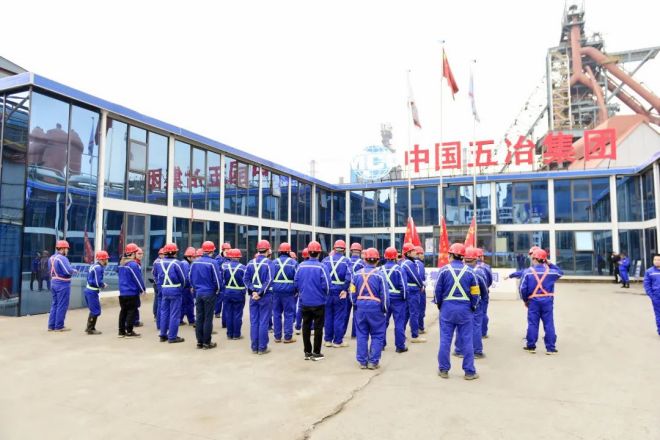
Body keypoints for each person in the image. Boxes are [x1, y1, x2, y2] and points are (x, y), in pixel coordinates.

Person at [434, 243, 480, 380]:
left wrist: (440, 305)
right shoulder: (471, 272)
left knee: (445, 340)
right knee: (467, 341)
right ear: (462, 257)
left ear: (451, 255)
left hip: (447, 308)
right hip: (465, 309)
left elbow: (437, 291)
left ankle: (443, 370)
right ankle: (469, 372)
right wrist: (473, 306)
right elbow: (476, 293)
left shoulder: (443, 271)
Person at [351, 248, 389, 369]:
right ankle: (373, 361)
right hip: (375, 308)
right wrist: (384, 309)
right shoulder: (380, 275)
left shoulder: (356, 275)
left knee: (361, 334)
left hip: (360, 308)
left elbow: (352, 292)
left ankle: (362, 361)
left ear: (364, 259)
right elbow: (385, 295)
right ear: (377, 260)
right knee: (377, 334)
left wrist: (356, 304)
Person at [520, 249, 563, 354]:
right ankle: (550, 348)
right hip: (547, 301)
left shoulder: (528, 272)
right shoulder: (551, 272)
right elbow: (561, 273)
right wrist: (550, 264)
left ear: (534, 259)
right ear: (544, 260)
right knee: (549, 323)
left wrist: (525, 300)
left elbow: (522, 289)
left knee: (533, 323)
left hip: (533, 301)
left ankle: (531, 346)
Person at [294, 240, 330, 361]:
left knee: (306, 326)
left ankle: (307, 352)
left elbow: (296, 282)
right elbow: (327, 285)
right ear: (319, 253)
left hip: (305, 302)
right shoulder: (322, 267)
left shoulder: (301, 266)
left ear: (308, 252)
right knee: (318, 328)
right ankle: (316, 352)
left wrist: (302, 293)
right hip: (319, 302)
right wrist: (324, 295)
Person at [454, 247, 489, 359]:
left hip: (462, 302)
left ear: (464, 259)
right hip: (476, 302)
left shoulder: (459, 270)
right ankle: (476, 351)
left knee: (460, 326)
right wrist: (484, 302)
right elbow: (484, 289)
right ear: (476, 259)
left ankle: (459, 350)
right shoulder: (479, 272)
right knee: (476, 326)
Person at [190, 241, 222, 349]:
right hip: (209, 293)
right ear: (212, 251)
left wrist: (195, 288)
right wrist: (218, 290)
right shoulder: (213, 263)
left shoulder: (195, 263)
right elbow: (217, 279)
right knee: (208, 318)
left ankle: (199, 342)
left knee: (199, 317)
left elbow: (190, 277)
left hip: (199, 293)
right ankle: (206, 342)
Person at [243, 240, 274, 355]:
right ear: (268, 250)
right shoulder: (269, 263)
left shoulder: (250, 263)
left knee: (254, 321)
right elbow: (269, 280)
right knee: (263, 321)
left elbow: (245, 279)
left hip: (253, 296)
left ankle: (254, 347)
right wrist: (260, 293)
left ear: (258, 249)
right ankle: (262, 348)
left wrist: (253, 291)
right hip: (264, 296)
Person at [322, 240, 352, 348]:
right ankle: (338, 341)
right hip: (340, 292)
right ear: (344, 250)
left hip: (328, 291)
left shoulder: (325, 260)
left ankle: (327, 340)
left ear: (334, 249)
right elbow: (349, 276)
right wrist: (345, 289)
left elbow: (322, 276)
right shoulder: (346, 261)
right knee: (339, 317)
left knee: (328, 316)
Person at [157, 243, 187, 343]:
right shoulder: (177, 263)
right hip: (175, 289)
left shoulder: (159, 262)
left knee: (164, 312)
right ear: (175, 252)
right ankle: (172, 337)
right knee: (174, 314)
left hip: (164, 289)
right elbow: (183, 278)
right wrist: (182, 287)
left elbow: (158, 277)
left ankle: (163, 335)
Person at [382, 246, 408, 353]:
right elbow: (404, 287)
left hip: (385, 299)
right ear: (395, 257)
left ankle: (381, 344)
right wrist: (404, 298)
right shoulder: (399, 269)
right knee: (399, 323)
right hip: (398, 300)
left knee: (383, 323)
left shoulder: (381, 269)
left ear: (385, 256)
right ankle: (400, 346)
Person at [271, 242, 298, 344]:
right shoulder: (293, 263)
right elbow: (297, 278)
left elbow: (270, 277)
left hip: (276, 291)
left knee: (276, 313)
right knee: (289, 314)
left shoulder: (273, 262)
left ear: (279, 251)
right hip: (289, 292)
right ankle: (287, 337)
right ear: (288, 252)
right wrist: (296, 290)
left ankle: (277, 337)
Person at [47, 240, 76, 332]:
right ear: (63, 249)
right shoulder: (62, 258)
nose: (67, 250)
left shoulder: (51, 258)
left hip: (53, 282)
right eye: (67, 249)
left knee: (55, 304)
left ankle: (51, 326)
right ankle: (59, 326)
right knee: (62, 305)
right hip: (62, 284)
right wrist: (74, 271)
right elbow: (68, 271)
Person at [118, 243, 145, 338]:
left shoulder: (121, 264)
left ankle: (121, 332)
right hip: (131, 292)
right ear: (133, 253)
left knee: (123, 312)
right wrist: (142, 289)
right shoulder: (133, 264)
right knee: (131, 311)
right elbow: (137, 278)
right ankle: (129, 332)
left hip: (122, 292)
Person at [401, 243, 426, 343]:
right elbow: (416, 277)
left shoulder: (405, 262)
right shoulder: (409, 263)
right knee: (414, 313)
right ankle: (415, 336)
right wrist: (421, 285)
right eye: (413, 251)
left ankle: (401, 334)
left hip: (408, 290)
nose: (415, 252)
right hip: (413, 291)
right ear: (408, 253)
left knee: (406, 313)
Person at [222, 249, 248, 340]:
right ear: (239, 257)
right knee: (237, 314)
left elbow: (221, 280)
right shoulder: (243, 268)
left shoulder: (224, 267)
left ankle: (229, 334)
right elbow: (246, 281)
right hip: (239, 293)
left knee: (228, 313)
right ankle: (236, 335)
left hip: (227, 292)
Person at [84, 250, 109, 335]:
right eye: (106, 259)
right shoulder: (98, 268)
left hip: (89, 290)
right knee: (96, 311)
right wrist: (103, 285)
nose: (107, 261)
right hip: (92, 291)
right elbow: (98, 282)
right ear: (102, 259)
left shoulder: (94, 266)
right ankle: (90, 329)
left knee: (94, 310)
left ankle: (89, 327)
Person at [344, 242, 364, 339]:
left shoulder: (346, 261)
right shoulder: (362, 263)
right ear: (360, 251)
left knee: (345, 312)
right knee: (356, 312)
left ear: (351, 251)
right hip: (356, 289)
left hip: (347, 288)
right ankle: (354, 334)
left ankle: (341, 333)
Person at [476, 248, 493, 338]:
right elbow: (490, 280)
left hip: (471, 294)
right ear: (481, 256)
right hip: (483, 293)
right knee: (483, 313)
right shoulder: (486, 267)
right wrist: (485, 287)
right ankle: (483, 333)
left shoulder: (467, 266)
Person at [642, 254, 660, 336]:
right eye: (655, 260)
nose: (656, 261)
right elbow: (647, 285)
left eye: (658, 260)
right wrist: (652, 296)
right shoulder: (649, 272)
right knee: (658, 314)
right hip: (656, 297)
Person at [179, 247, 197, 325]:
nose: (194, 258)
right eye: (193, 257)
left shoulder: (186, 263)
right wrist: (191, 285)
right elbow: (187, 277)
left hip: (185, 287)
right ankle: (188, 320)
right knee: (187, 304)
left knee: (187, 304)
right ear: (188, 257)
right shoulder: (185, 264)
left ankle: (188, 320)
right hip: (186, 287)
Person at [215, 242, 232, 323]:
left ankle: (225, 314)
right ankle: (217, 312)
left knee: (226, 299)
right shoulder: (218, 259)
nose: (228, 251)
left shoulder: (230, 258)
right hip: (220, 280)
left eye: (229, 249)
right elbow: (217, 269)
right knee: (219, 298)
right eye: (226, 249)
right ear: (223, 250)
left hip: (228, 281)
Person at [294, 247, 310, 335]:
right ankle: (311, 328)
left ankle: (298, 327)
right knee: (313, 309)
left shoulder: (300, 266)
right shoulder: (317, 265)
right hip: (313, 292)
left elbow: (296, 280)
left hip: (302, 292)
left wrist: (298, 290)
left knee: (300, 309)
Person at [414, 246, 427, 334]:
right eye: (421, 253)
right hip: (419, 290)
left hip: (414, 289)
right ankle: (419, 327)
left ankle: (418, 327)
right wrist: (422, 285)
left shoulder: (410, 263)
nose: (423, 255)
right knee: (420, 309)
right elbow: (419, 276)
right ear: (417, 254)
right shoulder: (419, 264)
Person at [151, 248, 165, 328]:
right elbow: (154, 273)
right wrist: (157, 281)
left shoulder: (157, 261)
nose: (164, 256)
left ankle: (156, 315)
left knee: (157, 299)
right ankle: (156, 315)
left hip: (156, 283)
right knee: (158, 300)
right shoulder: (158, 262)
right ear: (160, 254)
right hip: (158, 284)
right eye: (162, 254)